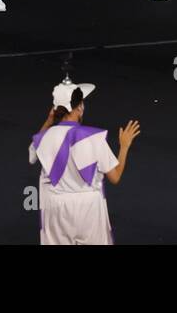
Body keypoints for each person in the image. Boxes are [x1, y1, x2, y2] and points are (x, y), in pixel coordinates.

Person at [29, 77, 140, 245]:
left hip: (56, 210)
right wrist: (124, 147)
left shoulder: (44, 138)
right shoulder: (93, 138)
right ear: (80, 107)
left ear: (55, 110)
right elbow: (115, 177)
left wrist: (49, 120)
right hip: (89, 211)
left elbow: (32, 155)